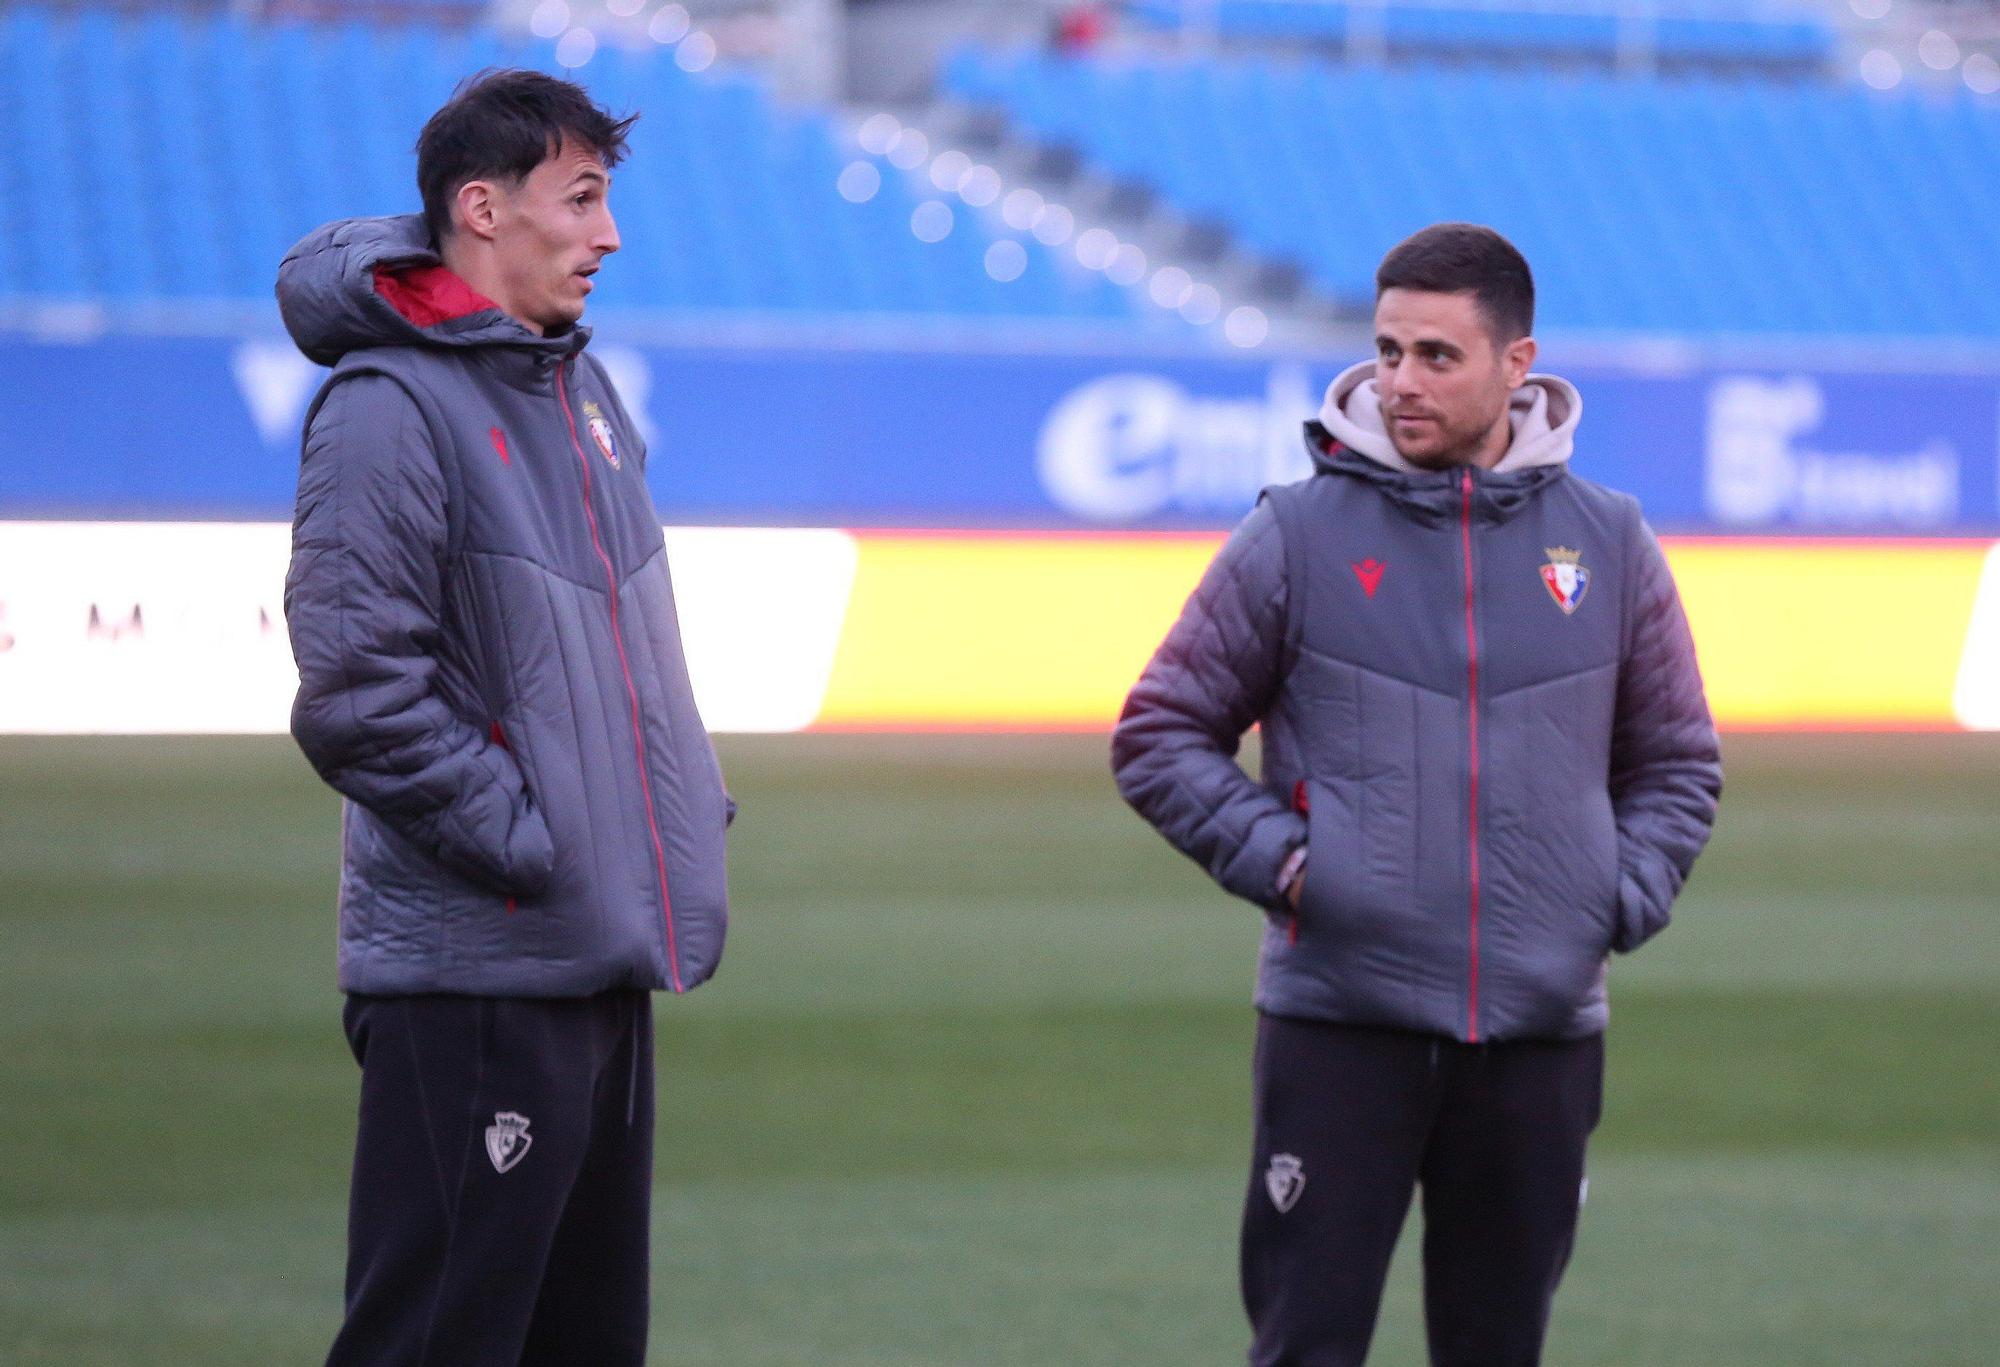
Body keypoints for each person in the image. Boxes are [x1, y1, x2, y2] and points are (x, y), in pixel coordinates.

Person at [1112, 222, 1720, 1366]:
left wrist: (1610, 893)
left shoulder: (1609, 542)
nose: (1400, 380)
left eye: (1436, 354)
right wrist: (1299, 868)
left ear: (1516, 363)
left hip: (1539, 1036)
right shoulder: (1294, 533)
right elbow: (1158, 731)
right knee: (1305, 1347)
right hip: (1340, 1028)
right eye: (1387, 350)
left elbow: (1676, 762)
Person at [277, 69, 732, 1366]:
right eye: (581, 199)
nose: (610, 235)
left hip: (597, 953)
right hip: (478, 967)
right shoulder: (386, 404)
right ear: (481, 208)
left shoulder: (581, 392)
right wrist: (540, 842)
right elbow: (358, 693)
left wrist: (662, 823)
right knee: (436, 1341)